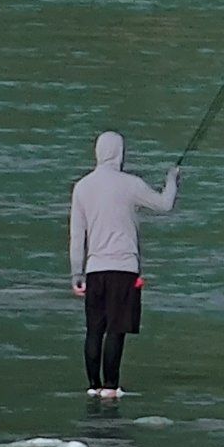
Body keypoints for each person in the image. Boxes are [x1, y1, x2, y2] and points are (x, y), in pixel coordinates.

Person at [70, 131, 180, 398]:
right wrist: (172, 180)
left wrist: (76, 273)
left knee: (94, 330)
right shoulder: (131, 184)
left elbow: (76, 235)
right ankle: (111, 387)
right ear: (120, 153)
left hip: (95, 270)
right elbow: (165, 205)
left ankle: (92, 385)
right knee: (116, 331)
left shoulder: (82, 186)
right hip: (124, 270)